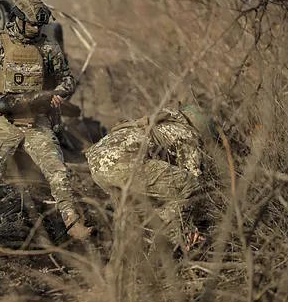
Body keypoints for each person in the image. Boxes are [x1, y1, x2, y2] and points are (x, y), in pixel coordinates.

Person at [0, 0, 92, 240]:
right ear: (18, 21)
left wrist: (58, 94)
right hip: (5, 124)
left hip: (37, 122)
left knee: (58, 173)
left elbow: (67, 79)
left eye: (39, 25)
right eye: (32, 24)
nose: (36, 29)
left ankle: (73, 223)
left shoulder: (47, 47)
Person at [85, 106, 212, 249]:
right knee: (190, 184)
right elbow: (192, 178)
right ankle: (171, 239)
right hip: (124, 161)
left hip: (97, 165)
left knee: (136, 210)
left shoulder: (155, 124)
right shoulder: (187, 133)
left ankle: (125, 259)